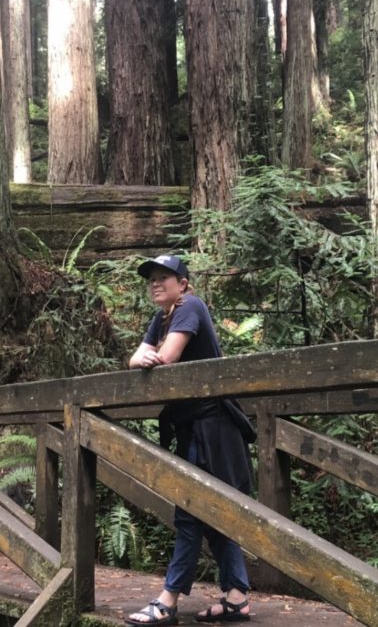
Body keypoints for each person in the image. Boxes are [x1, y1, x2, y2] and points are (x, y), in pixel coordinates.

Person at [126, 255, 253, 625]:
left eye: (164, 277)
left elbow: (164, 358)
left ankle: (168, 600)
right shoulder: (161, 318)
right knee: (213, 512)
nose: (155, 283)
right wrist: (139, 358)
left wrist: (147, 357)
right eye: (151, 278)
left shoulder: (190, 306)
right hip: (194, 427)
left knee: (191, 510)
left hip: (213, 427)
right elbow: (136, 358)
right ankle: (237, 596)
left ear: (182, 284)